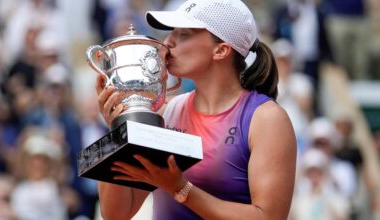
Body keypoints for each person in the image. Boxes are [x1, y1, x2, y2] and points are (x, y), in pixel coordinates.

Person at [95, 0, 297, 219]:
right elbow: (116, 214)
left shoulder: (266, 119)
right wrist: (118, 130)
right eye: (172, 33)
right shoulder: (166, 112)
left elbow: (268, 217)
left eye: (183, 34)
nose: (167, 43)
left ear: (221, 50)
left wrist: (180, 189)